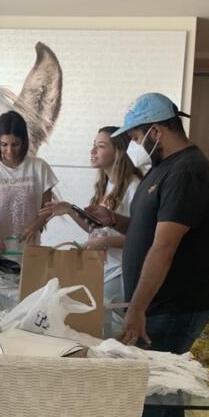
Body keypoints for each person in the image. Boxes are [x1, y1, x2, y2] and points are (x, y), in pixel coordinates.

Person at [89, 93, 209, 417]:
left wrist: (137, 309)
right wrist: (116, 220)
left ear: (157, 131)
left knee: (147, 392)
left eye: (135, 136)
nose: (134, 144)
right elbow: (148, 228)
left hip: (175, 302)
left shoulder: (188, 172)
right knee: (165, 389)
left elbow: (164, 247)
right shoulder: (166, 169)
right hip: (167, 301)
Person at [32, 126, 146, 336]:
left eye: (100, 146)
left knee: (103, 328)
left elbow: (143, 238)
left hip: (120, 271)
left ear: (119, 152)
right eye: (94, 145)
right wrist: (69, 209)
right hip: (103, 268)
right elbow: (96, 229)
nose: (92, 151)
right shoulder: (107, 185)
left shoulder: (134, 187)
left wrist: (106, 243)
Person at [0, 110, 57, 255]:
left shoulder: (39, 167)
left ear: (23, 142)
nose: (9, 151)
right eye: (4, 144)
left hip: (28, 250)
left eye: (15, 144)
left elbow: (48, 210)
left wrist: (34, 227)